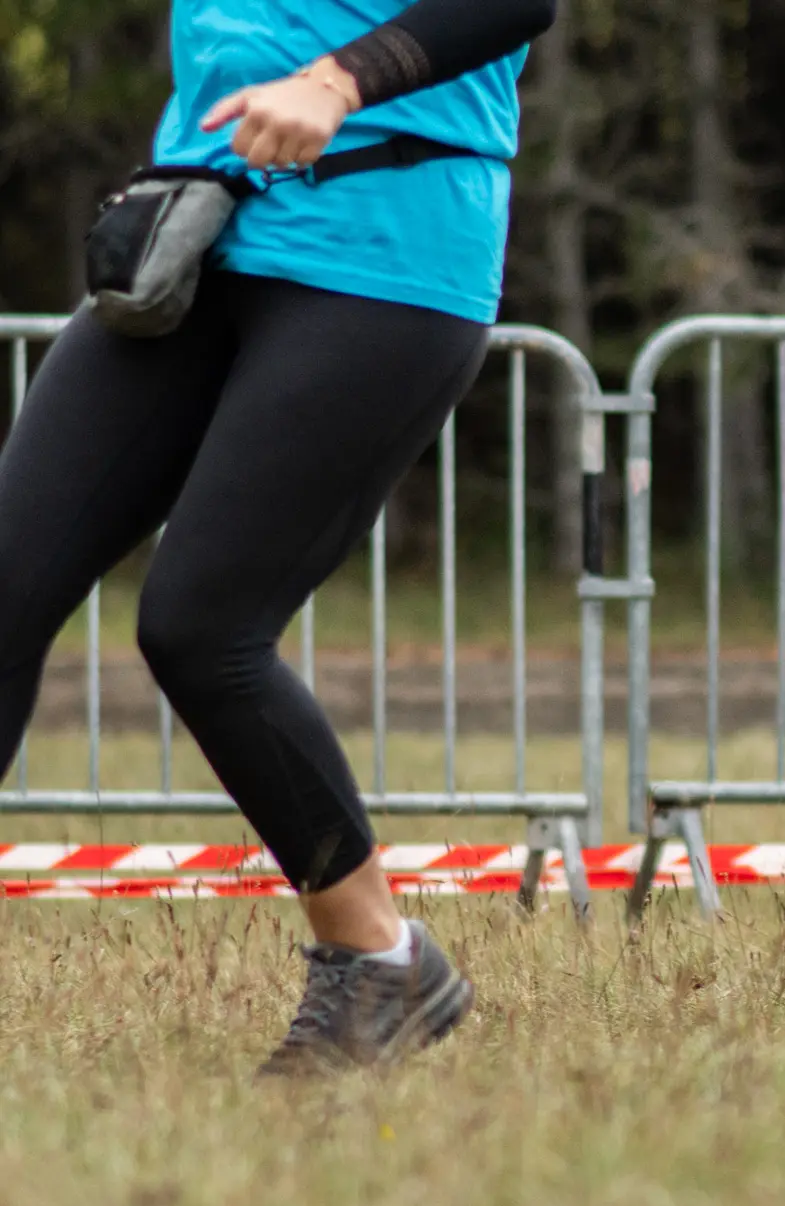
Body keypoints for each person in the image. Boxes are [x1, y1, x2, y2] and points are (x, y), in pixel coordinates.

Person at [0, 0, 557, 1075]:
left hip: (384, 249)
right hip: (194, 222)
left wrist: (339, 82)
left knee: (202, 626)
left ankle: (381, 959)